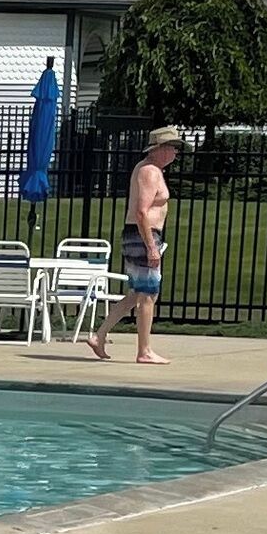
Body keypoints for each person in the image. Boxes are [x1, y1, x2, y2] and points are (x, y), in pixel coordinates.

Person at [91, 125, 182, 365]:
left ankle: (99, 336)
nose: (175, 153)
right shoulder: (149, 171)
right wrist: (151, 246)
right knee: (148, 295)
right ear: (159, 149)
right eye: (172, 148)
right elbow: (142, 211)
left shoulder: (149, 169)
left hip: (141, 235)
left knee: (135, 294)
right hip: (143, 235)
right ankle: (145, 351)